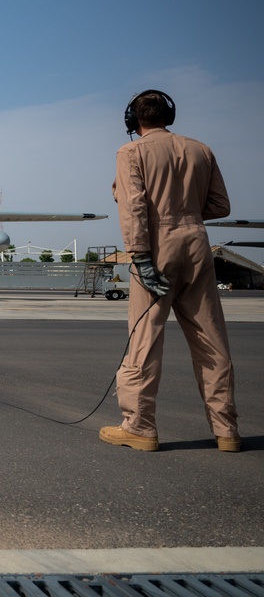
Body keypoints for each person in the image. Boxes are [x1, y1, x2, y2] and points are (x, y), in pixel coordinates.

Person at [102, 89, 240, 452]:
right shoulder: (201, 150)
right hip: (197, 244)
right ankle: (226, 431)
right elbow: (221, 204)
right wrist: (187, 214)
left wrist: (142, 257)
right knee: (212, 341)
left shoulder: (130, 152)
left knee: (145, 340)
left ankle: (139, 427)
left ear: (133, 121)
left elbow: (132, 207)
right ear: (170, 116)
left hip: (156, 247)